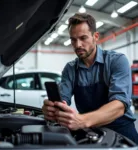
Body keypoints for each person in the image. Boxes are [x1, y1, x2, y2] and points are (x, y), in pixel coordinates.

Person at [42, 13, 138, 144]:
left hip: (122, 132)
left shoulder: (116, 61)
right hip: (91, 133)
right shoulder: (70, 69)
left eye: (83, 38)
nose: (78, 45)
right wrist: (54, 110)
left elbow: (119, 105)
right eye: (73, 40)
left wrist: (81, 120)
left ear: (95, 36)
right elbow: (63, 99)